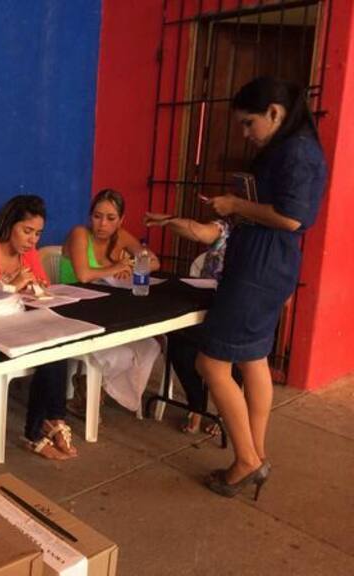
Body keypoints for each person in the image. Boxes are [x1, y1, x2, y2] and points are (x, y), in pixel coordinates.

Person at [194, 77, 327, 499]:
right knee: (253, 358)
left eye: (249, 123)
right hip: (267, 263)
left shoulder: (297, 151)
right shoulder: (291, 147)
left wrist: (235, 205)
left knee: (211, 364)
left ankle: (247, 461)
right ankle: (255, 454)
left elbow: (291, 217)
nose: (245, 133)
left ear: (274, 112)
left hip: (259, 268)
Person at [0, 195, 77, 460]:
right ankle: (41, 428)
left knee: (58, 343)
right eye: (27, 231)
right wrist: (10, 286)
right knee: (50, 349)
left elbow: (42, 285)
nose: (32, 240)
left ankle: (51, 422)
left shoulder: (28, 254)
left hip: (18, 323)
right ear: (10, 225)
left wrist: (37, 286)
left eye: (38, 234)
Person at [60, 189, 162, 416]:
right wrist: (116, 268)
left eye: (110, 218)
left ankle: (95, 386)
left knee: (149, 346)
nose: (102, 224)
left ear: (121, 220)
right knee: (121, 353)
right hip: (72, 309)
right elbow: (84, 275)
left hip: (103, 308)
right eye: (97, 216)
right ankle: (88, 387)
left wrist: (132, 267)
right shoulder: (79, 234)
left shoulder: (121, 237)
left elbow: (153, 261)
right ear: (90, 216)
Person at [145, 215, 234, 434]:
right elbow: (200, 231)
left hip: (234, 310)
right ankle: (196, 405)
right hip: (205, 306)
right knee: (179, 344)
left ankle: (227, 412)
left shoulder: (258, 236)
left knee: (233, 354)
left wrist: (169, 221)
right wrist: (169, 221)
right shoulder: (225, 228)